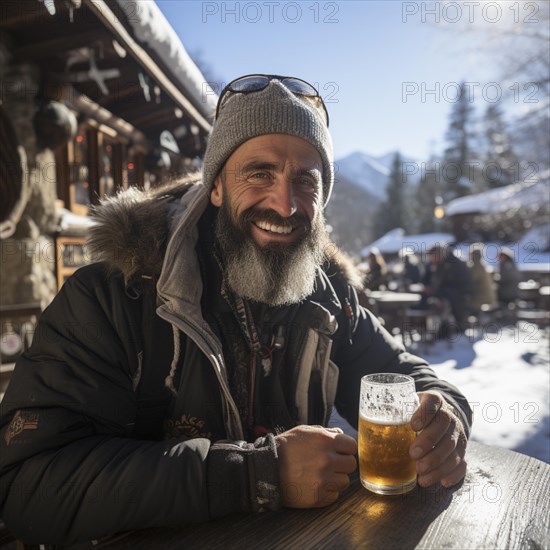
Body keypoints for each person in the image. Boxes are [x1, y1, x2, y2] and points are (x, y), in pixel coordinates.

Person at [0, 74, 472, 546]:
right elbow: (28, 484)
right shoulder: (111, 297)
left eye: (305, 180)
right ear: (217, 188)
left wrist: (445, 416)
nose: (284, 204)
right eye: (259, 173)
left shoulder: (329, 298)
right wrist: (255, 474)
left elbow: (402, 372)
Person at [420, 243, 473, 331]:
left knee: (437, 300)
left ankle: (449, 328)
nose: (431, 259)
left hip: (459, 295)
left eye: (432, 256)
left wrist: (434, 291)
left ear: (439, 255)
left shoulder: (451, 264)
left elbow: (451, 284)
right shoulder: (439, 264)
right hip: (452, 293)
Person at [467, 244, 497, 313]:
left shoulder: (476, 267)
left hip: (482, 298)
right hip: (489, 297)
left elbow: (470, 281)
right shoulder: (482, 266)